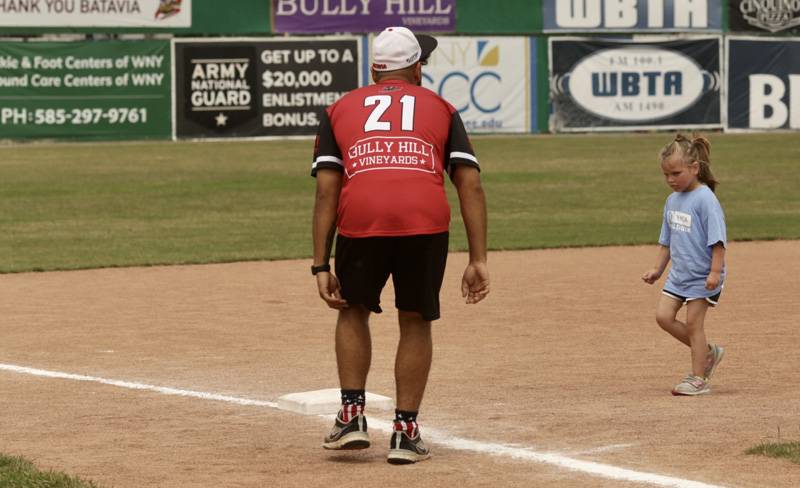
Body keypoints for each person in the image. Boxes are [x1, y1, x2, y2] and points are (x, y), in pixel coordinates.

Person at [310, 26, 489, 464]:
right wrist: (478, 258)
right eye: (421, 60)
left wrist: (320, 265)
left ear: (374, 69)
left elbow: (326, 193)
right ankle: (405, 433)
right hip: (424, 222)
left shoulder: (339, 109)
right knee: (415, 320)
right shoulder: (442, 107)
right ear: (416, 68)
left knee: (352, 309)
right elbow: (469, 182)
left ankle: (352, 415)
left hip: (361, 220)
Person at [642, 133, 727, 396]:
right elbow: (666, 241)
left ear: (694, 168)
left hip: (702, 276)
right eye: (666, 174)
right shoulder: (672, 201)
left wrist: (715, 272)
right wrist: (657, 269)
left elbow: (718, 241)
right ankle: (708, 352)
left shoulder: (706, 200)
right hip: (679, 276)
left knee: (693, 325)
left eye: (676, 173)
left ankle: (698, 378)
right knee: (663, 317)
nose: (670, 180)